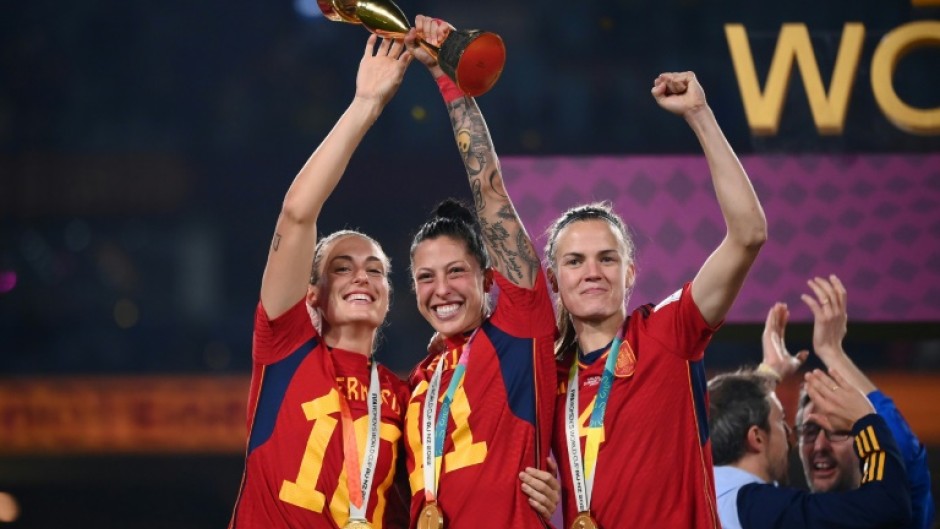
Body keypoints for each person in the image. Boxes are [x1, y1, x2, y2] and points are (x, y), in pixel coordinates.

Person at [544, 72, 768, 528]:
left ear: (630, 273)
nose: (592, 272)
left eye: (607, 259)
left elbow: (749, 234)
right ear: (553, 280)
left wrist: (699, 115)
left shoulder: (667, 333)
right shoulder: (545, 376)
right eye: (575, 261)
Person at [228, 35, 414, 528]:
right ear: (313, 297)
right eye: (342, 266)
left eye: (376, 269)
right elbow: (295, 214)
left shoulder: (406, 395)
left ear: (388, 297)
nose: (362, 275)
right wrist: (364, 106)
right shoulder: (286, 349)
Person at [401, 16, 559, 529]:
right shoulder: (420, 381)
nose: (440, 290)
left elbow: (489, 191)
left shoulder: (518, 333)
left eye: (456, 272)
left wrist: (447, 78)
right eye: (426, 277)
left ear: (490, 278)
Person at [793, 275, 935, 529]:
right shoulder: (790, 515)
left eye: (837, 432)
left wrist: (831, 351)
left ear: (865, 440)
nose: (820, 445)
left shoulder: (896, 508)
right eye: (810, 431)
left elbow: (901, 447)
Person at [708, 368, 912, 528]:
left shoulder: (701, 491)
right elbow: (886, 506)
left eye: (837, 432)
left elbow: (722, 406)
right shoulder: (757, 507)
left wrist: (768, 372)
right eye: (781, 422)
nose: (789, 436)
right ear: (757, 438)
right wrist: (866, 419)